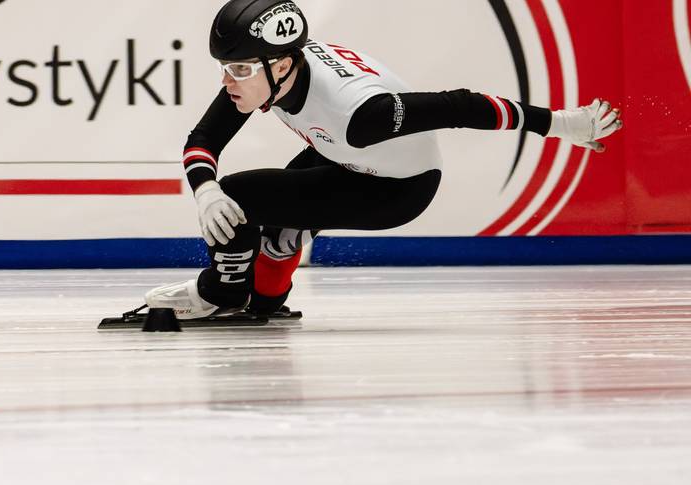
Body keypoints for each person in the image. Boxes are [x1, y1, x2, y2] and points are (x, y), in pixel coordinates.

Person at [146, 0, 624, 319]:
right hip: (342, 157)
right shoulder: (268, 70)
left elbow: (459, 106)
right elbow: (204, 139)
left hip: (397, 189)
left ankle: (223, 294)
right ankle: (267, 301)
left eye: (239, 69)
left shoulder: (359, 113)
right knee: (263, 216)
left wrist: (560, 123)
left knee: (240, 195)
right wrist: (203, 188)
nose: (228, 81)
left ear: (284, 65)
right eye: (225, 68)